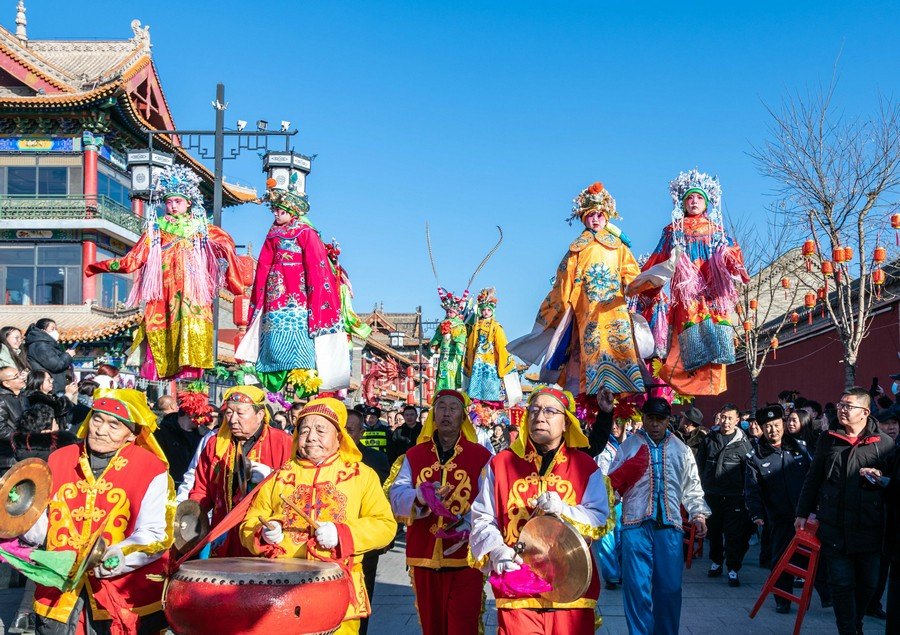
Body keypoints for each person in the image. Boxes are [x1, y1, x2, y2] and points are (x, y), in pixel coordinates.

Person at [21, 389, 174, 634]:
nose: (101, 430)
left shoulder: (151, 468)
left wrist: (117, 557)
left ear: (132, 433)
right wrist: (20, 514)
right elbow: (42, 528)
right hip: (59, 590)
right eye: (97, 419)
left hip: (118, 591)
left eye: (114, 425)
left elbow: (154, 533)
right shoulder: (59, 458)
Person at [240, 397, 396, 635]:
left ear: (339, 436)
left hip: (339, 592)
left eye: (321, 430)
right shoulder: (279, 476)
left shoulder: (361, 475)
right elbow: (249, 523)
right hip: (284, 594)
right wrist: (264, 533)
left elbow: (385, 525)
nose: (311, 437)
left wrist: (342, 534)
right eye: (304, 430)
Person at [470, 385, 612, 634]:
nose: (540, 417)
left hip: (572, 590)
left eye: (550, 411)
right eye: (534, 410)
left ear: (566, 422)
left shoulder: (585, 467)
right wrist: (497, 550)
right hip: (517, 592)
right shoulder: (500, 464)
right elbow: (482, 517)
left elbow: (599, 519)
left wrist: (564, 510)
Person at [86, 165, 245, 380]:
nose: (173, 206)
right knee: (162, 327)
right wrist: (99, 266)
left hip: (192, 293)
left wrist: (235, 283)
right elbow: (133, 259)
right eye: (169, 202)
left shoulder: (202, 229)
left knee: (192, 326)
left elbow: (227, 246)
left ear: (189, 203)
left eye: (177, 201)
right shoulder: (156, 230)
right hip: (165, 292)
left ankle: (191, 373)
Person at [509, 182, 646, 395]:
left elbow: (631, 274)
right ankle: (591, 396)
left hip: (614, 308)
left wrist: (642, 284)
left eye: (599, 215)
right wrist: (561, 308)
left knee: (620, 347)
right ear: (583, 218)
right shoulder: (577, 248)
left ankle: (621, 395)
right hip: (586, 310)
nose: (595, 219)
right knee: (589, 349)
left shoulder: (619, 246)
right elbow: (564, 281)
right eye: (590, 215)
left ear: (607, 217)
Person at [629, 169, 749, 396]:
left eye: (699, 197)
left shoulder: (717, 231)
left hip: (713, 293)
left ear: (707, 203)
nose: (694, 201)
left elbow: (733, 255)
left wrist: (727, 257)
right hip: (688, 292)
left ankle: (711, 383)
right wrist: (642, 286)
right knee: (689, 336)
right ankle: (685, 380)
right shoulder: (673, 231)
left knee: (715, 339)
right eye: (690, 198)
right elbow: (658, 259)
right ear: (682, 203)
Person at [236, 179, 356, 394]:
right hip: (275, 294)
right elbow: (263, 265)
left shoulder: (305, 232)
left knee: (300, 337)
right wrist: (261, 295)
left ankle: (303, 378)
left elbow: (316, 266)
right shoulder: (273, 233)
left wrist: (317, 298)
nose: (275, 214)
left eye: (280, 211)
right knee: (273, 336)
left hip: (300, 293)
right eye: (274, 210)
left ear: (292, 212)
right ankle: (272, 371)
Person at [387, 390, 491, 635]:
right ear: (433, 414)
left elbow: (489, 501)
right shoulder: (414, 455)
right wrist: (419, 496)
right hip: (424, 554)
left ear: (463, 417)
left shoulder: (481, 457)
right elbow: (396, 495)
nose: (446, 413)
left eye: (453, 408)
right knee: (431, 626)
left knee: (463, 626)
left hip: (466, 558)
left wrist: (468, 524)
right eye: (441, 407)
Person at [796, 387, 895, 635]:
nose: (841, 409)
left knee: (869, 584)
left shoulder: (883, 443)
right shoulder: (828, 439)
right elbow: (813, 477)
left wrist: (881, 477)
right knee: (841, 584)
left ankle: (856, 622)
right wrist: (802, 512)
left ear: (865, 412)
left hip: (869, 528)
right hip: (834, 526)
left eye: (848, 406)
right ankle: (848, 630)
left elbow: (893, 483)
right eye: (841, 404)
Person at [611, 397, 709, 635]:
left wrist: (698, 513)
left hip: (670, 527)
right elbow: (613, 480)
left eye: (660, 419)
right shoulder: (628, 447)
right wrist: (611, 496)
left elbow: (692, 486)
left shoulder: (681, 449)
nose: (655, 424)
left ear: (668, 421)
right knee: (636, 588)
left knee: (670, 588)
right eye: (651, 418)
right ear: (643, 419)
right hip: (635, 525)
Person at [189, 385, 293, 556]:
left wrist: (271, 476)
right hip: (223, 534)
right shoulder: (215, 444)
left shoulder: (283, 443)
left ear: (260, 415)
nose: (232, 419)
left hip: (262, 534)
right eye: (229, 413)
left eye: (240, 413)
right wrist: (191, 516)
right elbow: (201, 489)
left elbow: (293, 488)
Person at [744, 405, 827, 613]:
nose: (773, 430)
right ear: (762, 428)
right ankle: (782, 599)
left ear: (783, 424)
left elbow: (814, 477)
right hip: (778, 516)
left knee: (816, 555)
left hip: (805, 514)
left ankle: (828, 596)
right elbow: (752, 489)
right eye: (768, 426)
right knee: (781, 557)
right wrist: (756, 514)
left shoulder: (800, 447)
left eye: (776, 425)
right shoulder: (756, 456)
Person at [696, 403, 754, 586]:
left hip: (734, 496)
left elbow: (749, 472)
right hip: (712, 493)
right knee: (713, 531)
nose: (726, 421)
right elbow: (699, 465)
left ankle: (733, 568)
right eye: (723, 417)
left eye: (730, 418)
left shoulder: (743, 443)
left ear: (737, 420)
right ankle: (716, 561)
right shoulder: (709, 439)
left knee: (733, 534)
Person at [345, 407, 390, 635]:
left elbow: (383, 501)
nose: (344, 435)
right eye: (340, 429)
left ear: (361, 433)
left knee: (361, 600)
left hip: (363, 543)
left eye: (350, 430)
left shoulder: (375, 459)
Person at [464, 287, 518, 406]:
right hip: (477, 363)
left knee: (491, 391)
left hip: (491, 363)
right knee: (475, 394)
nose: (486, 312)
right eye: (484, 310)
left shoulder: (496, 327)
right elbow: (470, 346)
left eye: (489, 309)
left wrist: (504, 363)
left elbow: (502, 346)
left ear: (493, 311)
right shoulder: (475, 326)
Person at [429, 289, 469, 392]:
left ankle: (452, 391)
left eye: (451, 312)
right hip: (443, 353)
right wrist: (434, 345)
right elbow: (437, 336)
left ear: (456, 312)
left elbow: (462, 337)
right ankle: (441, 392)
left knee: (452, 374)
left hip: (454, 354)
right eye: (447, 311)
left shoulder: (460, 325)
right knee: (442, 374)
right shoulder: (443, 323)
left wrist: (459, 346)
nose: (449, 313)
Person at [24, 320, 74, 394]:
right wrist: (68, 355)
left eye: (56, 329)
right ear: (42, 331)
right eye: (52, 329)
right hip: (50, 388)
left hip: (53, 386)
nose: (56, 332)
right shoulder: (41, 345)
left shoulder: (45, 344)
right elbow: (56, 365)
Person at [0, 365, 26, 473]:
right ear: (6, 383)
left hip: (25, 452)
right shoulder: (2, 400)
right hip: (9, 459)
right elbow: (1, 430)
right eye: (16, 377)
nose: (21, 378)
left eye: (20, 374)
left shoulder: (23, 396)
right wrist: (22, 437)